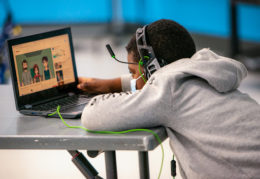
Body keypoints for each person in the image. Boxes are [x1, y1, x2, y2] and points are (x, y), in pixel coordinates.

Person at [78, 19, 260, 178]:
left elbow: (92, 116)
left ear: (152, 67)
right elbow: (158, 83)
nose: (134, 80)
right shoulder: (206, 69)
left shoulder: (168, 91)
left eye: (133, 73)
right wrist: (110, 84)